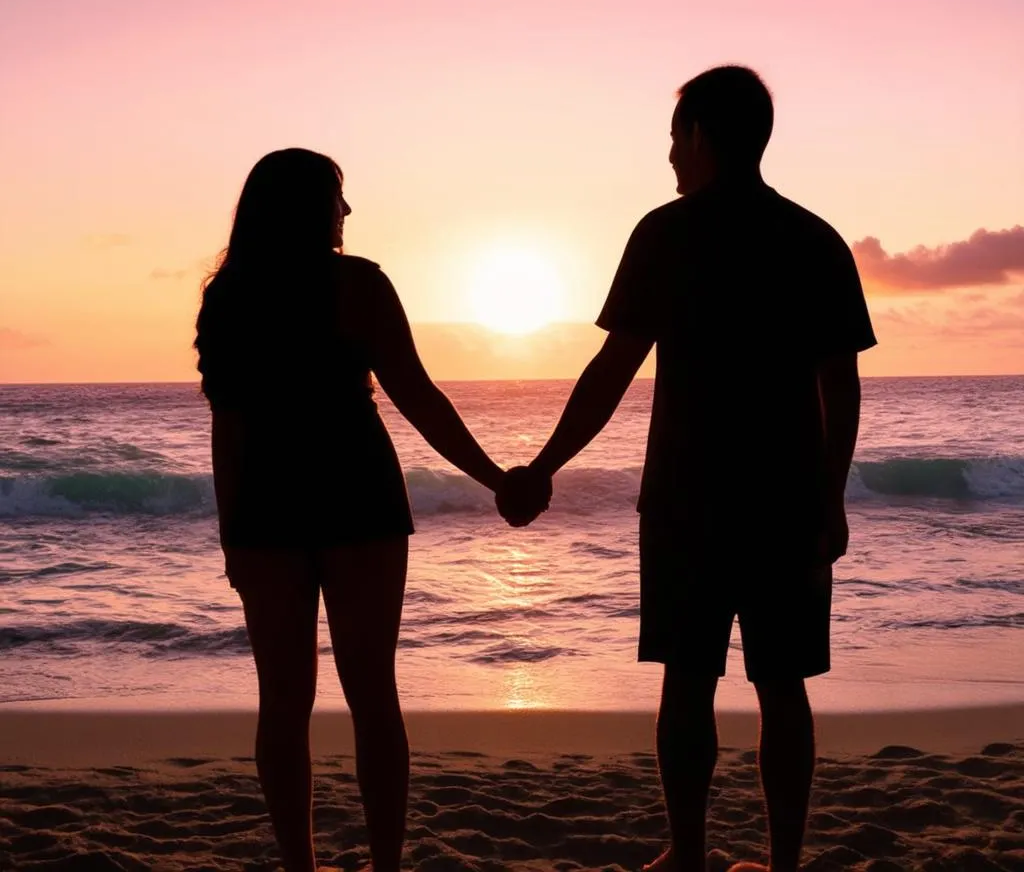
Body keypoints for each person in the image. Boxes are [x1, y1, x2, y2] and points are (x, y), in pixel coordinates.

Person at [497, 66, 876, 872]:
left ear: (700, 136)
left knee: (687, 680)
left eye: (675, 137)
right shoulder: (813, 239)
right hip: (788, 497)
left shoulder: (666, 234)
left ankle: (692, 853)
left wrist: (543, 466)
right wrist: (832, 496)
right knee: (784, 686)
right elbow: (838, 385)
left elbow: (612, 369)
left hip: (686, 496)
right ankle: (782, 862)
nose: (669, 155)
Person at [194, 148, 505, 872]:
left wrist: (230, 532)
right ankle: (386, 867)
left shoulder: (230, 293)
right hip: (356, 489)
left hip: (268, 501)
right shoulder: (358, 283)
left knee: (284, 700)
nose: (348, 211)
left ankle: (301, 866)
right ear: (310, 206)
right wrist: (496, 478)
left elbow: (229, 425)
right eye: (339, 195)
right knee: (372, 693)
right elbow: (418, 397)